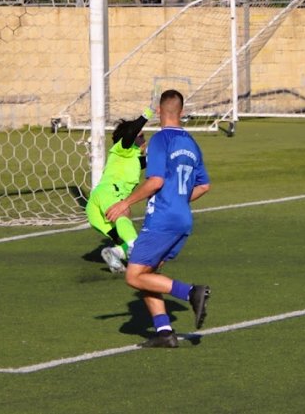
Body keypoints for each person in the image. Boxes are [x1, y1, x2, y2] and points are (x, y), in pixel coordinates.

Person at [105, 89, 211, 348]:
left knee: (133, 276)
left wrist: (125, 203)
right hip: (183, 219)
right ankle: (165, 332)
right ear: (181, 112)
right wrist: (178, 200)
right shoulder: (192, 144)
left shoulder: (160, 140)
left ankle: (191, 292)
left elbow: (155, 181)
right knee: (147, 274)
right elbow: (204, 185)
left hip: (162, 219)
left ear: (160, 111)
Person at [85, 109, 152, 273]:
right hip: (109, 194)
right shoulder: (123, 148)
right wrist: (148, 113)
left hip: (95, 206)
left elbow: (151, 162)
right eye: (141, 136)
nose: (144, 140)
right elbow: (130, 133)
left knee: (120, 234)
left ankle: (114, 255)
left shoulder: (132, 158)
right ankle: (136, 250)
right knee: (124, 213)